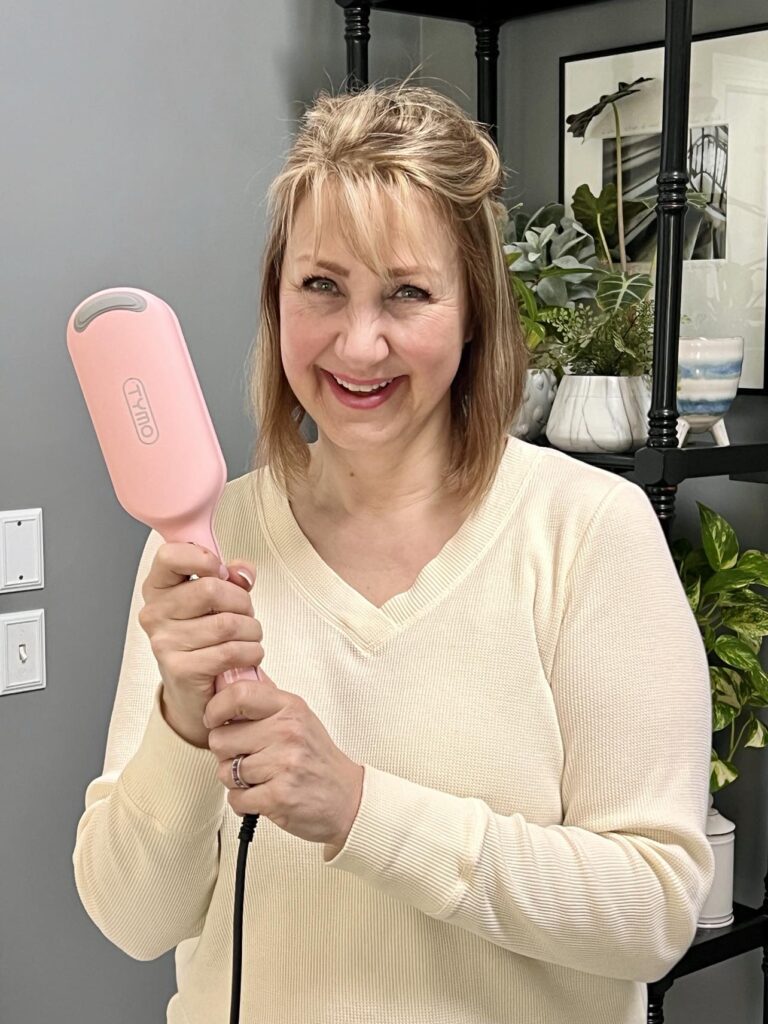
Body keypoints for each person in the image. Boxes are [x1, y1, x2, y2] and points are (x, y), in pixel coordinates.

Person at [72, 78, 714, 1024]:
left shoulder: (588, 532)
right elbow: (133, 917)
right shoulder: (210, 550)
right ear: (277, 298)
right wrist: (179, 717)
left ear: (472, 314)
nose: (358, 344)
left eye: (406, 294)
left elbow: (654, 910)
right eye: (321, 286)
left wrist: (363, 810)